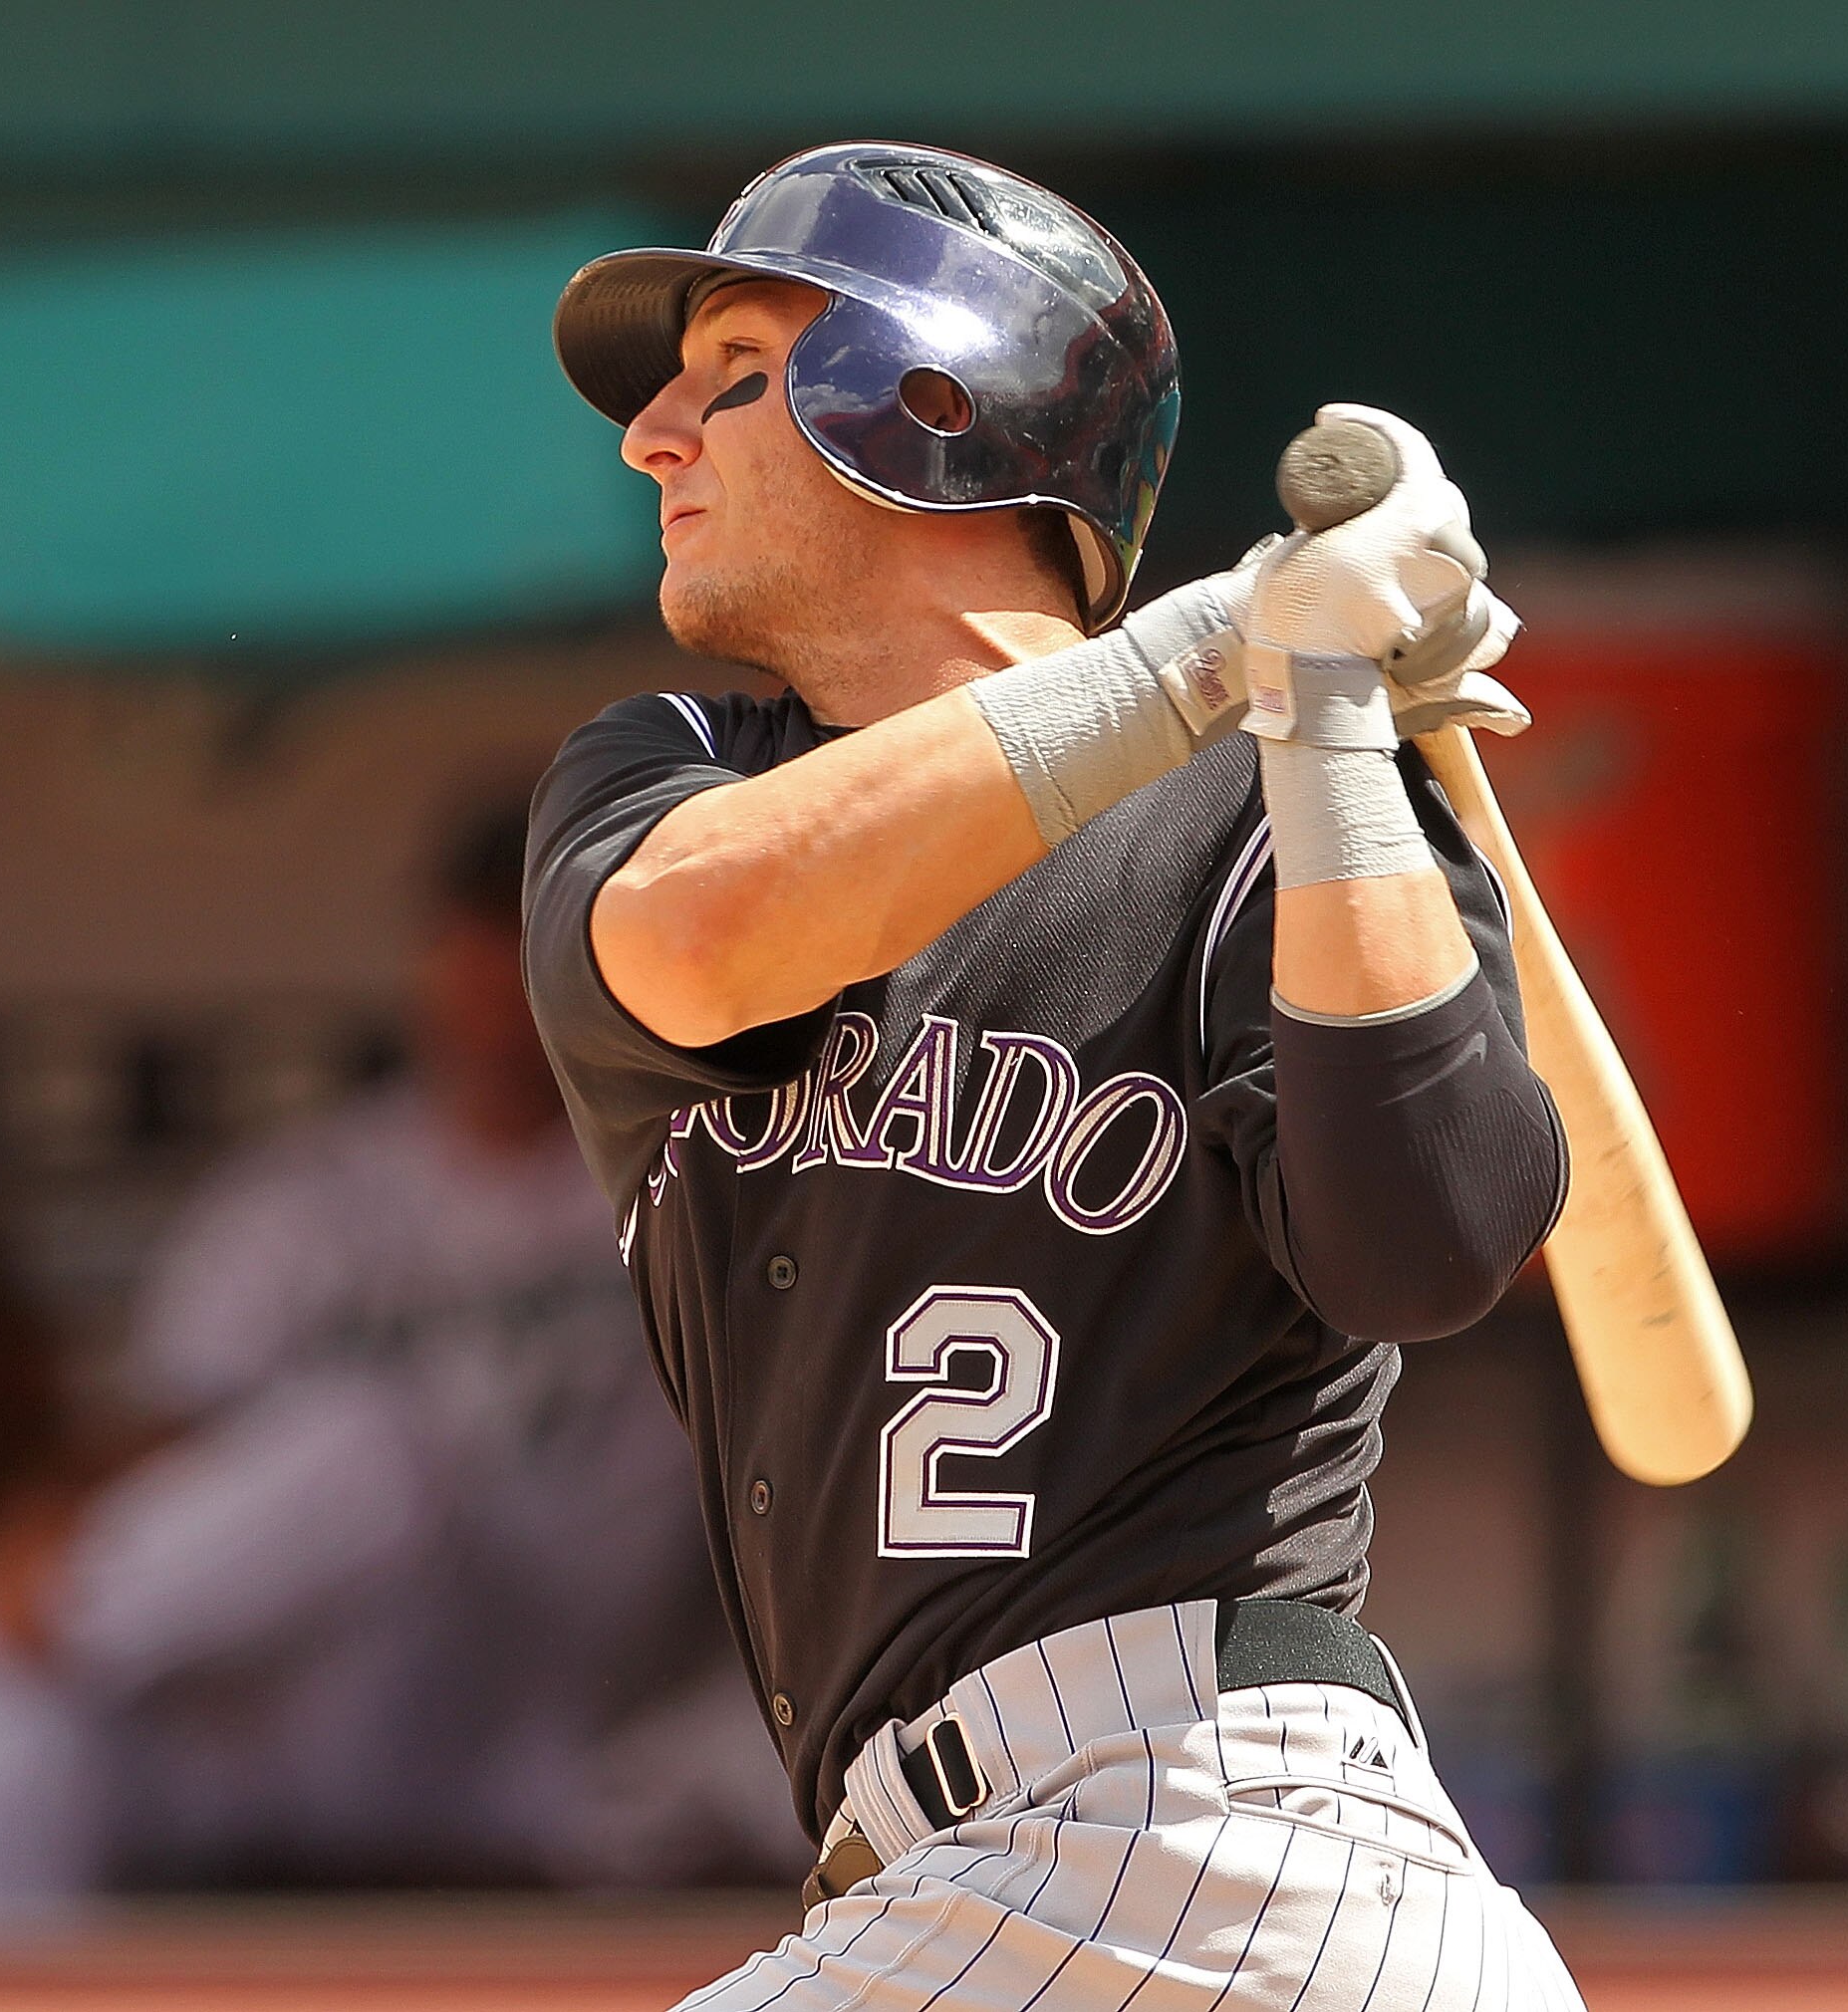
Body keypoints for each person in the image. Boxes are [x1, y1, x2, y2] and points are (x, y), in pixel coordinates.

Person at [527, 144, 1579, 2009]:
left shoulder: (1279, 803)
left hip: (1197, 1846)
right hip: (997, 1882)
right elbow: (703, 943)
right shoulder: (669, 773)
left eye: (734, 371)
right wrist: (1215, 649)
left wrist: (1326, 734)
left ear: (934, 405)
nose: (651, 439)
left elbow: (1424, 1244)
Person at [0, 803, 793, 1933]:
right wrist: (42, 1528)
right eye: (476, 953)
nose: (500, 995)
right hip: (328, 1698)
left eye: (538, 952)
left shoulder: (713, 1186)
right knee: (13, 1718)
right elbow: (164, 1436)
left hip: (575, 1728)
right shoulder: (314, 1198)